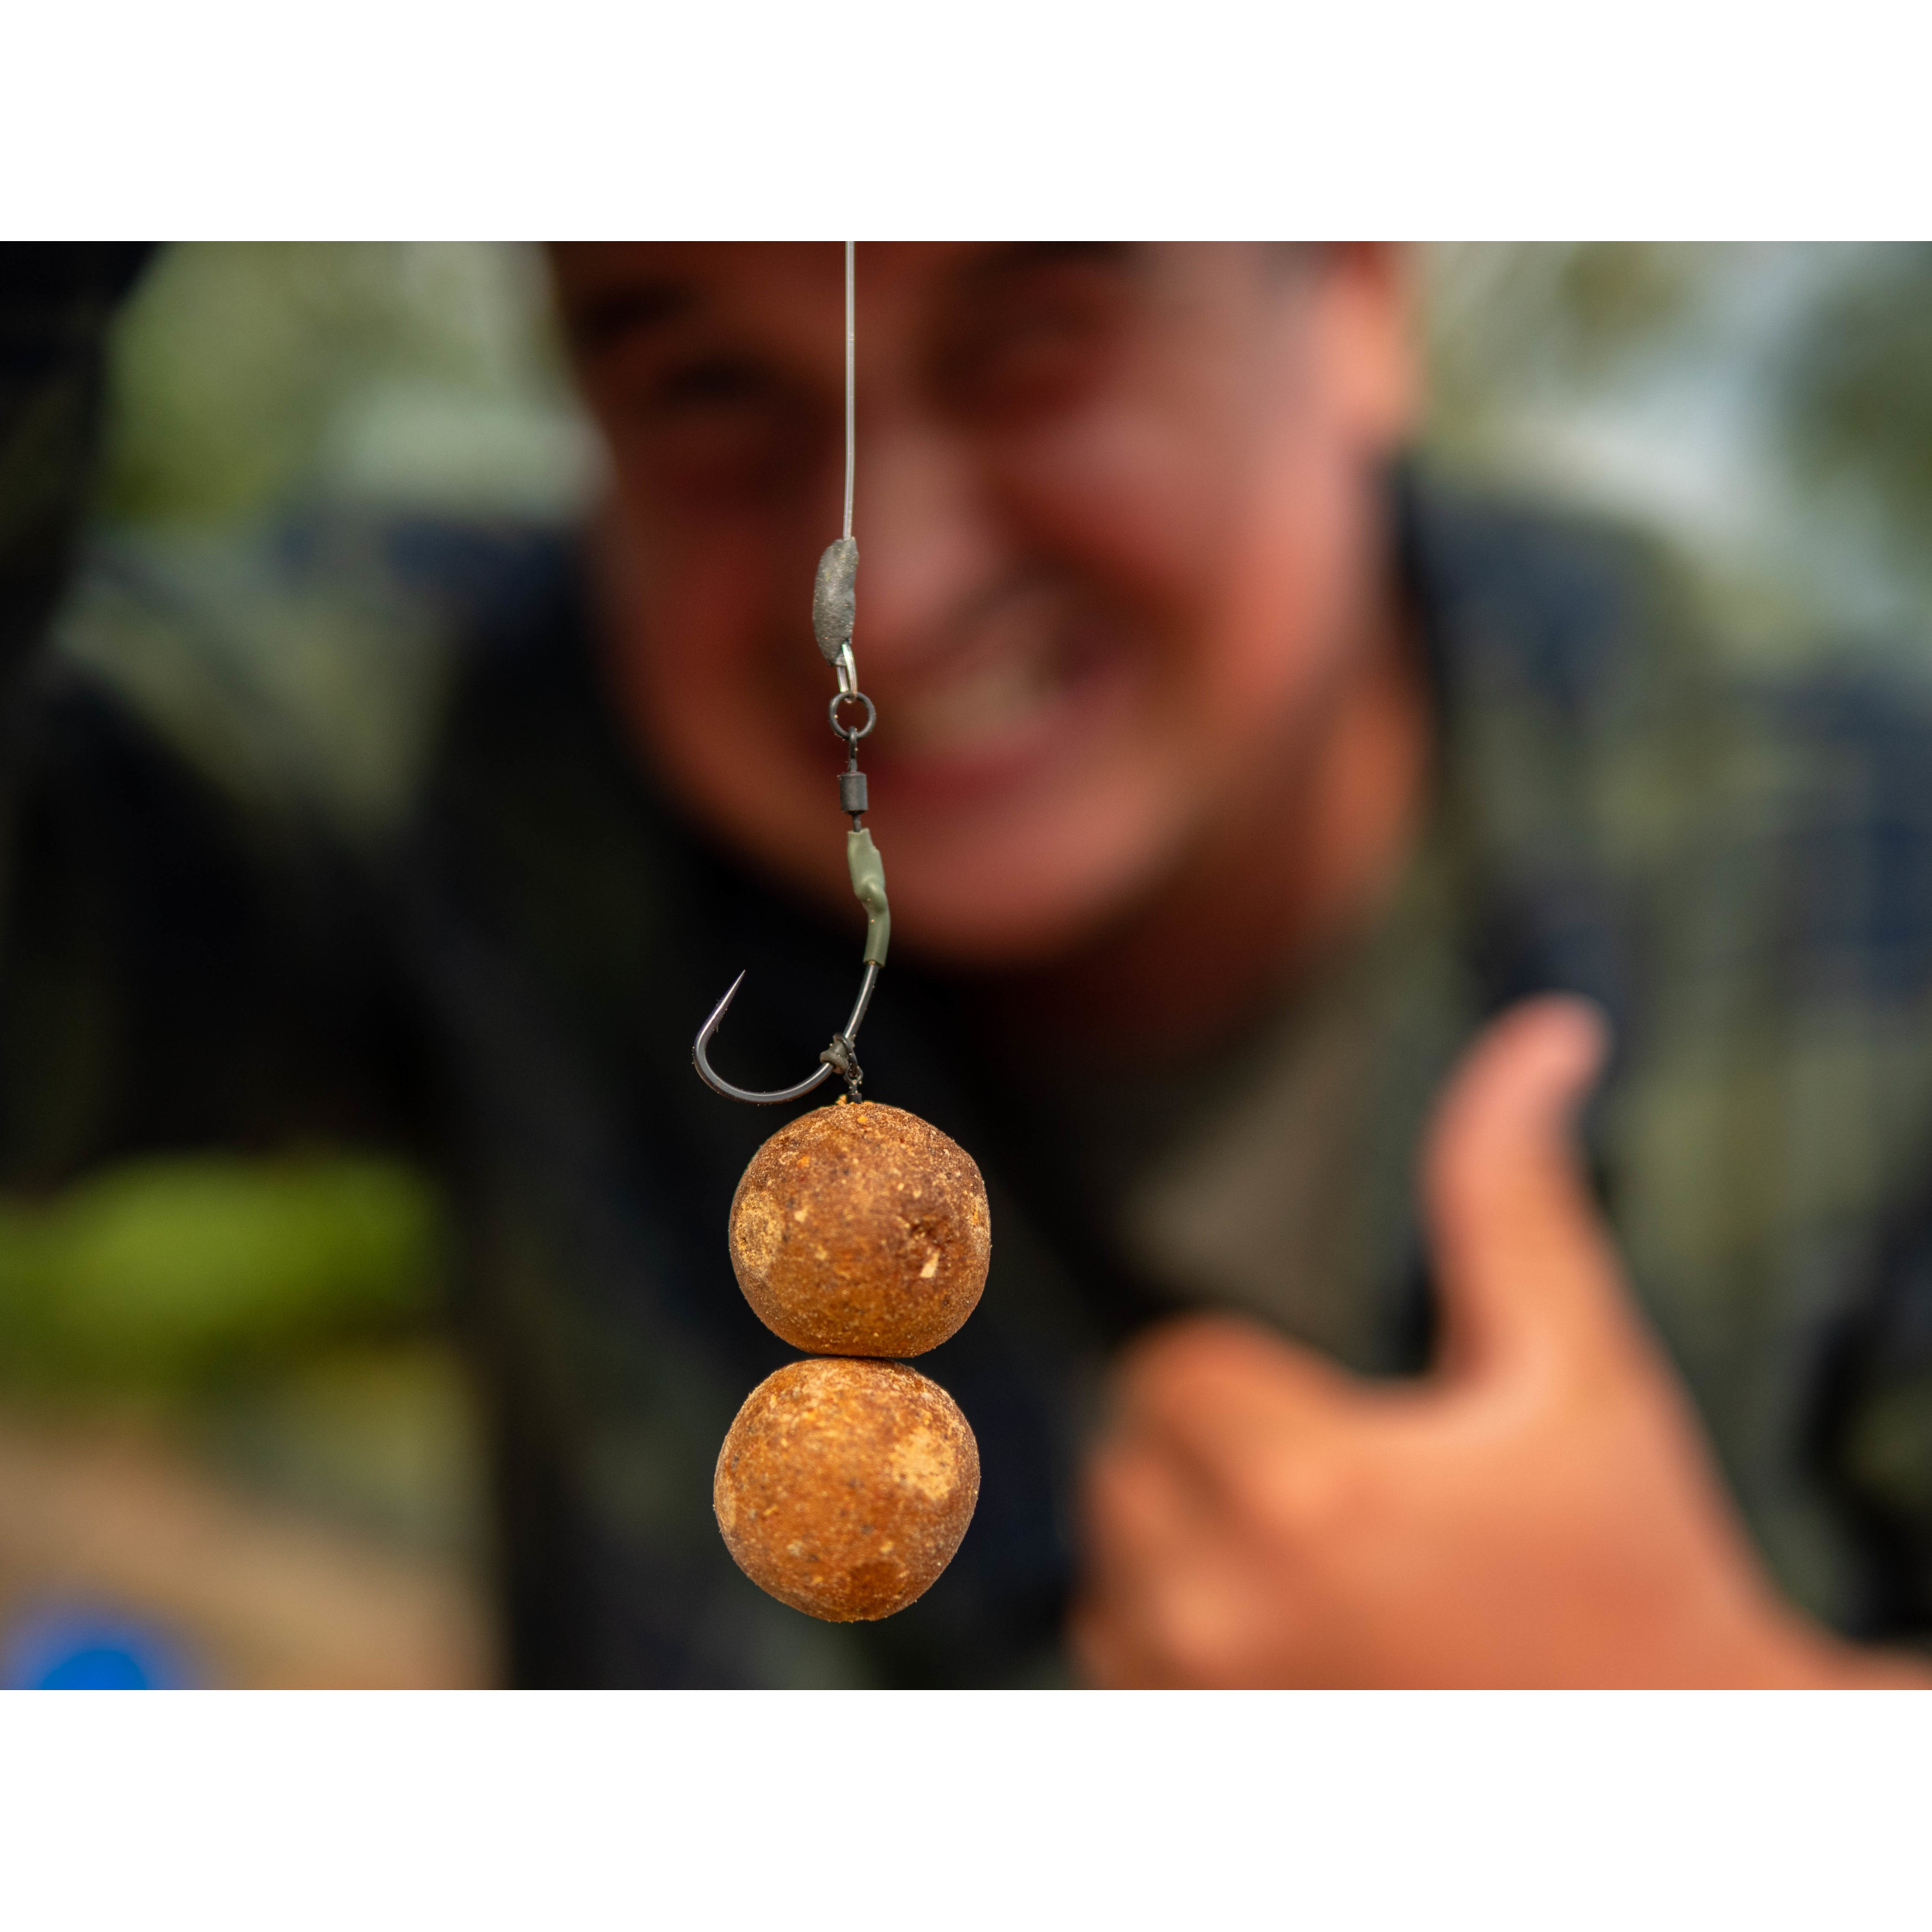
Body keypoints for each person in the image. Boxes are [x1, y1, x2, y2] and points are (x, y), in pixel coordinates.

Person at [6, 241, 1932, 1685]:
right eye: (708, 390)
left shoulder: (1857, 852)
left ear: (1354, 290)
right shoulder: (458, 738)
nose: (899, 594)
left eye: (1037, 341)